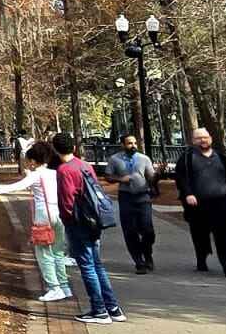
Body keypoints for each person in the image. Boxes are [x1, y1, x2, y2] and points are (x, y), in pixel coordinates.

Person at [53, 132, 124, 324]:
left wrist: (66, 219)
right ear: (73, 148)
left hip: (78, 221)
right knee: (97, 264)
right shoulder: (84, 165)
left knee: (87, 265)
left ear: (56, 149)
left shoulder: (64, 170)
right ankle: (113, 308)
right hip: (94, 218)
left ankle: (99, 309)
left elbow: (67, 199)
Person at [0, 141, 72, 302]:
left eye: (29, 160)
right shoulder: (55, 173)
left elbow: (18, 186)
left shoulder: (37, 174)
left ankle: (53, 287)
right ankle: (64, 286)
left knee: (43, 253)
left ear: (34, 160)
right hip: (59, 214)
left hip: (43, 216)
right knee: (58, 252)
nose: (28, 163)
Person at [174, 127, 226, 278]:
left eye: (205, 137)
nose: (203, 140)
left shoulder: (221, 157)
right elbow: (181, 179)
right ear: (193, 141)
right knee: (200, 234)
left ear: (210, 138)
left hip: (223, 203)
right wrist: (188, 194)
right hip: (198, 205)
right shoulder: (186, 158)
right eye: (199, 138)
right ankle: (202, 257)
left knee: (225, 235)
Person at [105, 134, 157, 273]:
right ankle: (139, 261)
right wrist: (121, 179)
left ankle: (147, 255)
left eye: (134, 143)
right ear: (123, 144)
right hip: (126, 197)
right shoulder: (114, 159)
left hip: (143, 196)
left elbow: (151, 177)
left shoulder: (144, 158)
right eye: (129, 143)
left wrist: (158, 174)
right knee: (130, 230)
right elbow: (108, 176)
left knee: (148, 230)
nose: (133, 145)